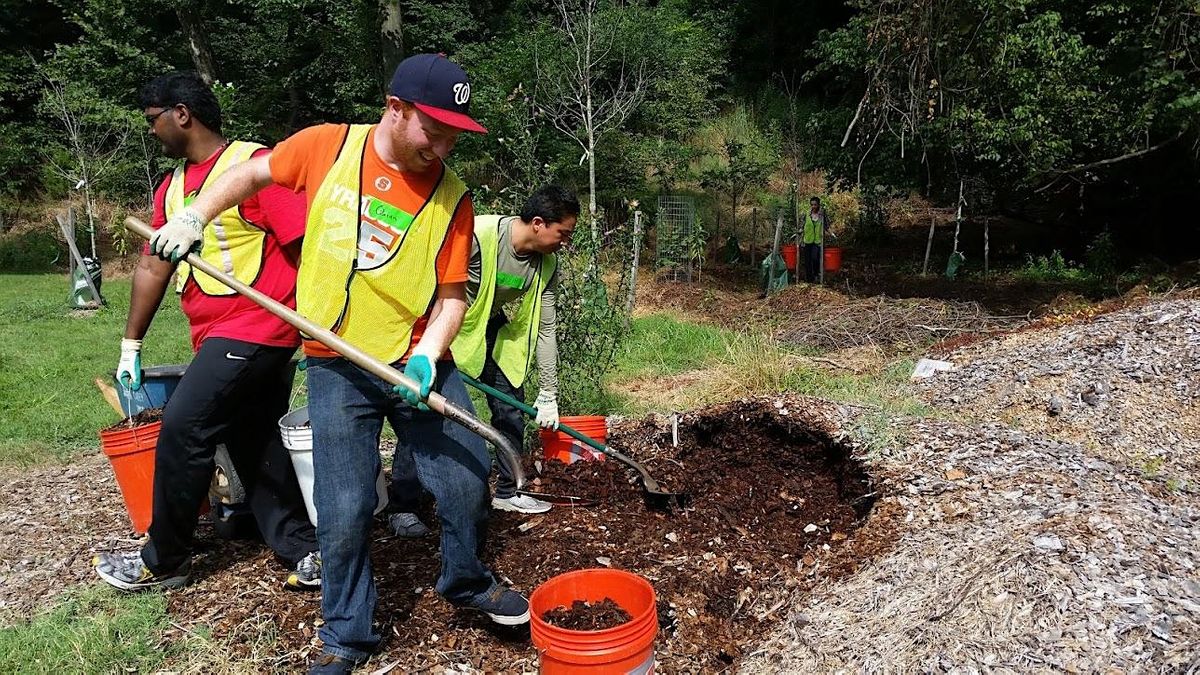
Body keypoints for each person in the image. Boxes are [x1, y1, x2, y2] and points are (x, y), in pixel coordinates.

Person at [143, 54, 528, 674]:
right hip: (335, 364)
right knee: (345, 507)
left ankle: (466, 580)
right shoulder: (328, 147)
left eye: (456, 132)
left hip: (414, 362)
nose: (444, 144)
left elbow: (453, 296)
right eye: (434, 128)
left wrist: (429, 355)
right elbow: (249, 175)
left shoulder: (452, 196)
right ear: (395, 109)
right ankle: (347, 634)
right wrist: (194, 215)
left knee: (464, 477)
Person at [92, 71, 320, 593]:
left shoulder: (253, 166)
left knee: (184, 426)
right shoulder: (172, 188)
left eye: (153, 120)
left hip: (262, 326)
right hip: (217, 332)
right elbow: (153, 265)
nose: (151, 131)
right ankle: (304, 550)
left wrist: (319, 326)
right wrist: (131, 344)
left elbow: (307, 244)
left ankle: (164, 558)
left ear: (181, 114)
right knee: (252, 440)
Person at [388, 186, 578, 526]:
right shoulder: (479, 234)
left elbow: (546, 329)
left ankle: (509, 490)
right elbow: (428, 280)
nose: (565, 243)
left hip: (485, 325)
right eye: (563, 233)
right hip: (440, 320)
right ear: (538, 223)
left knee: (510, 402)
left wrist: (549, 392)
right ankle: (404, 505)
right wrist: (426, 344)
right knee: (423, 402)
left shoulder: (546, 265)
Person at [802, 196, 829, 283]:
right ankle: (809, 279)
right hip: (807, 240)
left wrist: (831, 233)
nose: (813, 206)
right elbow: (802, 225)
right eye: (812, 205)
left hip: (817, 241)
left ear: (818, 205)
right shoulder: (807, 214)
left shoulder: (822, 215)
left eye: (815, 205)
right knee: (807, 261)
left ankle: (816, 274)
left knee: (815, 258)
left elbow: (826, 226)